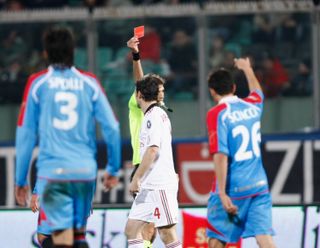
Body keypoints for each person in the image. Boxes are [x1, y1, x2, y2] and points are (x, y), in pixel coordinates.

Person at [15, 27, 121, 248]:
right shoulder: (89, 82)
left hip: (55, 173)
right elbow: (111, 127)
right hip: (85, 172)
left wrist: (20, 180)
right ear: (74, 51)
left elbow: (25, 134)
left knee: (56, 238)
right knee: (78, 235)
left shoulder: (38, 84)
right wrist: (112, 168)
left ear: (45, 53)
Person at [206, 58, 276, 248]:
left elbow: (220, 154)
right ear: (234, 87)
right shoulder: (252, 106)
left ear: (212, 91)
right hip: (259, 185)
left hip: (234, 187)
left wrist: (222, 193)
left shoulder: (217, 113)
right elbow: (258, 92)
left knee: (217, 237)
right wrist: (247, 68)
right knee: (264, 237)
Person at [124, 71, 181, 248]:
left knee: (167, 233)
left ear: (139, 95)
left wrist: (136, 178)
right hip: (149, 186)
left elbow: (152, 151)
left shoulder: (154, 115)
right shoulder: (151, 115)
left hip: (159, 184)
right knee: (131, 229)